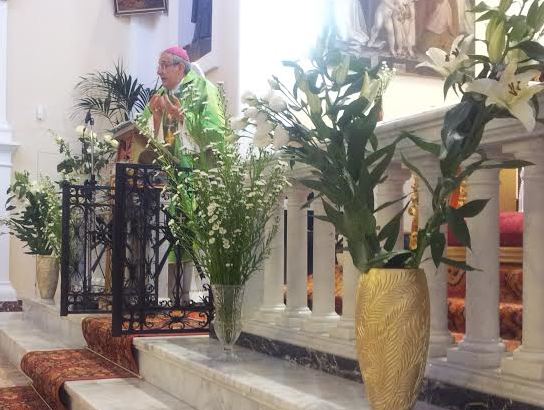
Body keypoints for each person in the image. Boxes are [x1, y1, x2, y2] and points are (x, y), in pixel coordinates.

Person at [142, 46, 224, 166]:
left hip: (197, 170)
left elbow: (216, 133)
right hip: (164, 172)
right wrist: (155, 119)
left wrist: (182, 117)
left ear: (180, 67)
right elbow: (139, 133)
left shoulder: (204, 89)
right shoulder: (160, 96)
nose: (159, 71)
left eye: (164, 65)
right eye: (159, 66)